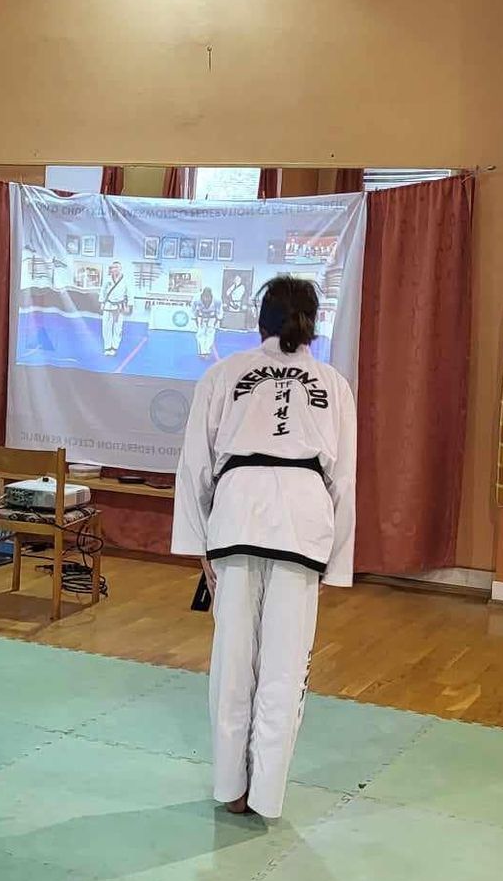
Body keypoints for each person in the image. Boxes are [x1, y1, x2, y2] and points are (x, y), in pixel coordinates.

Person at [173, 275, 356, 818]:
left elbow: (195, 465)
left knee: (233, 661)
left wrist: (199, 543)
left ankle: (231, 789)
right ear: (313, 323)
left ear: (260, 321)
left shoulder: (224, 372)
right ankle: (267, 794)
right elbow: (343, 478)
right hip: (303, 520)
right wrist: (336, 560)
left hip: (235, 513)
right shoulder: (333, 383)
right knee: (283, 665)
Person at [101, 259, 130, 356]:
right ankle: (107, 347)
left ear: (120, 269)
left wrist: (129, 305)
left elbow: (130, 293)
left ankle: (114, 347)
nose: (115, 269)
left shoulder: (126, 279)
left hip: (119, 306)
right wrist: (101, 302)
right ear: (111, 269)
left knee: (117, 328)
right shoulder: (107, 279)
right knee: (106, 326)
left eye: (117, 267)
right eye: (113, 267)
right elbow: (103, 291)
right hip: (108, 305)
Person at [192, 285, 220, 363]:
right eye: (205, 297)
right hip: (201, 317)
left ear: (211, 296)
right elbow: (193, 310)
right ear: (202, 295)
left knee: (210, 334)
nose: (206, 299)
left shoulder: (217, 300)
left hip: (212, 317)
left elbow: (219, 311)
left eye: (208, 297)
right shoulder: (196, 299)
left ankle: (207, 352)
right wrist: (195, 320)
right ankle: (202, 352)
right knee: (200, 334)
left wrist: (217, 320)